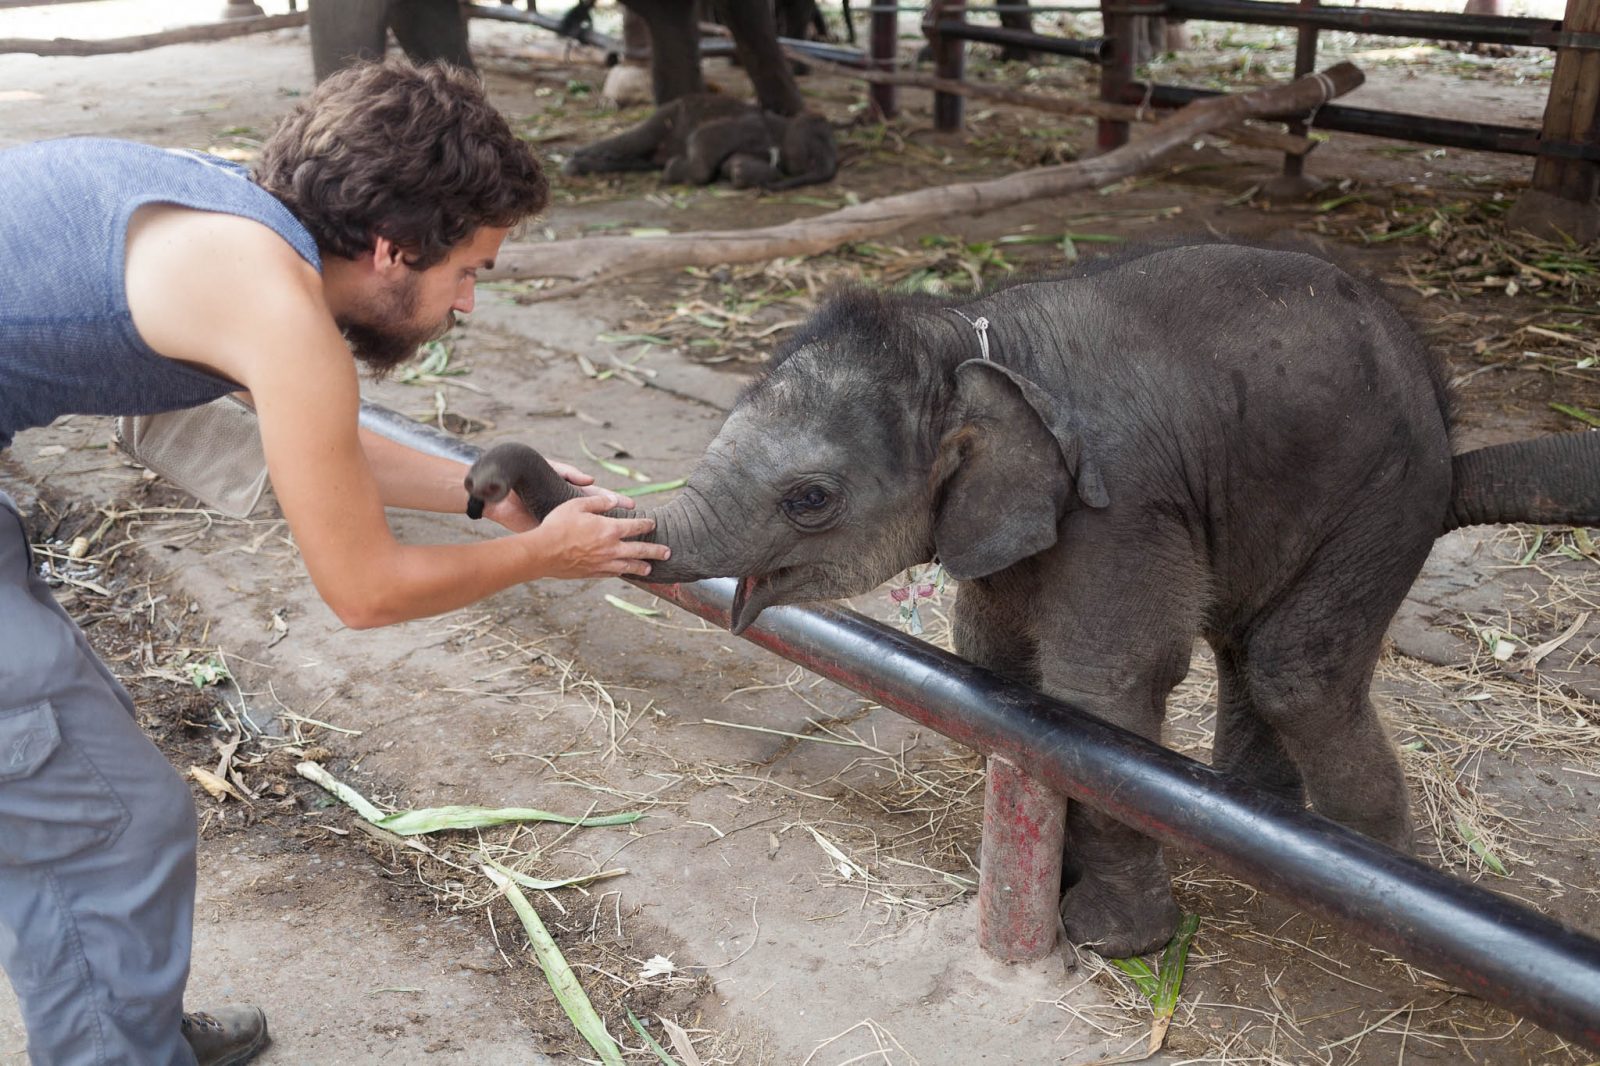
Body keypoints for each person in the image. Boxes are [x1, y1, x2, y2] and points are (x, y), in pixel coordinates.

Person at [0, 58, 668, 1065]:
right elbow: (364, 590)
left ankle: (116, 1022)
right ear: (395, 250)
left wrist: (480, 493)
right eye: (468, 271)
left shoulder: (228, 225)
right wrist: (540, 553)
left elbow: (199, 429)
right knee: (108, 818)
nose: (471, 304)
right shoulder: (276, 304)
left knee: (68, 775)